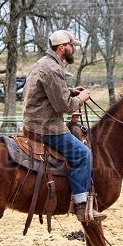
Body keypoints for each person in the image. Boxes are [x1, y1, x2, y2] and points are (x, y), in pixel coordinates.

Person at [22, 29, 106, 222]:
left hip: (32, 122)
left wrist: (69, 90)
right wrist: (82, 98)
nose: (72, 49)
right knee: (83, 154)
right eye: (70, 46)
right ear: (62, 48)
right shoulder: (54, 69)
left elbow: (43, 90)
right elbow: (64, 106)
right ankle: (81, 205)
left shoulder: (41, 64)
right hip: (46, 126)